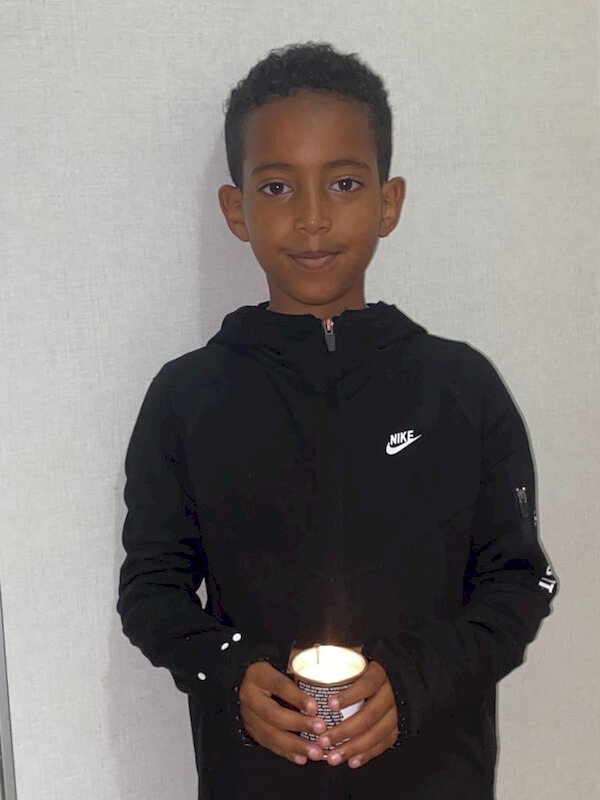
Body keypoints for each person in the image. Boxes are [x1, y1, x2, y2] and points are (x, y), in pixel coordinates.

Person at [117, 42, 558, 800]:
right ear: (237, 210)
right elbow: (150, 589)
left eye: (345, 182)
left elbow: (517, 585)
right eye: (278, 186)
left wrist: (415, 680)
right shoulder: (185, 398)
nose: (313, 217)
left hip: (437, 775)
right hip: (256, 781)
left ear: (389, 202)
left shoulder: (461, 387)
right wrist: (229, 669)